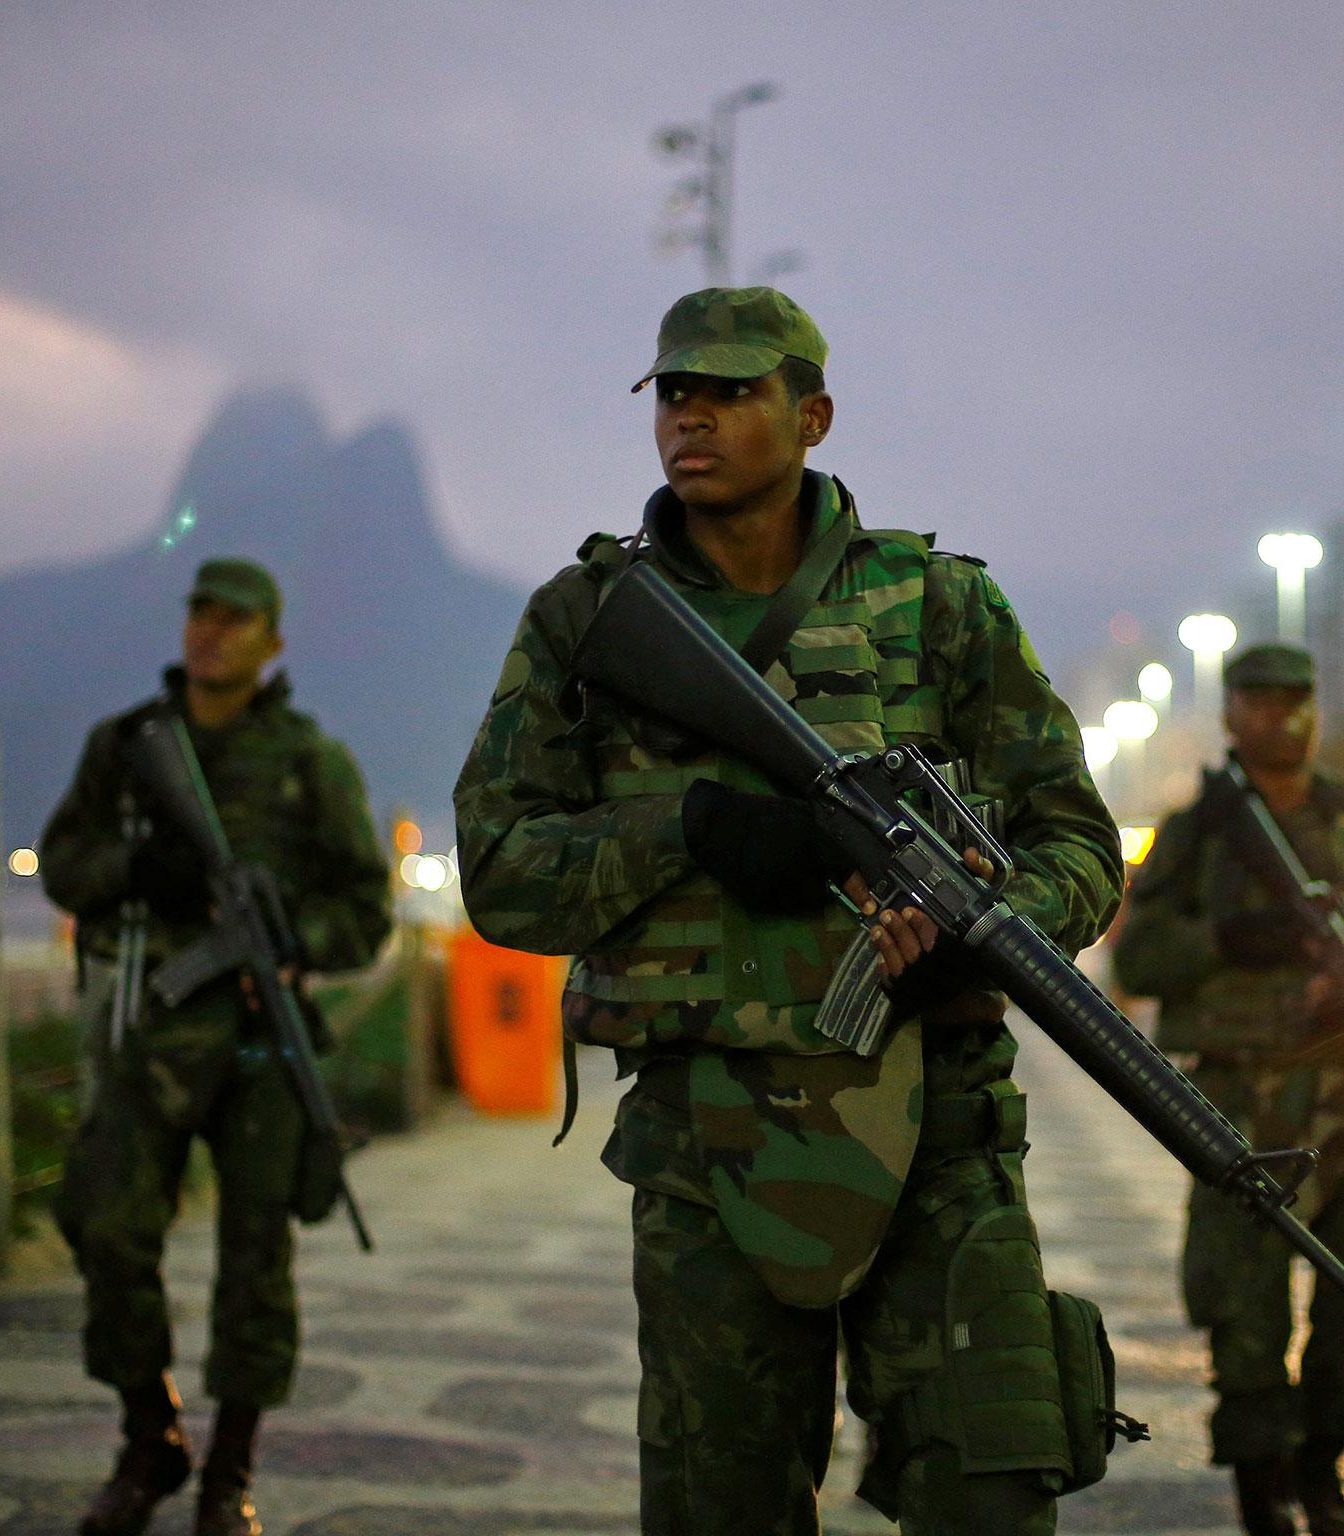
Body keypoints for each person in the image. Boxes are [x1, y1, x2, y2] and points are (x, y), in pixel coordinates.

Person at [453, 287, 1123, 1534]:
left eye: (729, 391)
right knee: (724, 1510)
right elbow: (499, 870)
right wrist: (686, 828)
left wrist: (981, 933)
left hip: (941, 1127)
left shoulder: (939, 607)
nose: (690, 418)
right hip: (709, 1137)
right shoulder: (587, 622)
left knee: (991, 1495)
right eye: (672, 394)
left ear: (810, 415)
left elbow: (1077, 841)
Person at [39, 558, 392, 1536]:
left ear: (272, 642)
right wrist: (135, 871)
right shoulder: (126, 748)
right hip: (147, 1037)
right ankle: (150, 1436)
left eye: (237, 620)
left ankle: (228, 1471)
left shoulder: (308, 761)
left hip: (256, 1053)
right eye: (202, 612)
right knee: (103, 1224)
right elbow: (65, 865)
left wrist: (290, 947)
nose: (212, 633)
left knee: (254, 1264)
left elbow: (365, 911)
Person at [1108, 644, 1344, 1536]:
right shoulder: (1199, 831)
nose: (1282, 717)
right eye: (1261, 702)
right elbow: (1137, 956)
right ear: (1231, 713)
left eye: (1297, 700)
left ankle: (1322, 1462)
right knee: (1244, 1307)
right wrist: (1233, 939)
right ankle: (1261, 1480)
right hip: (1236, 1111)